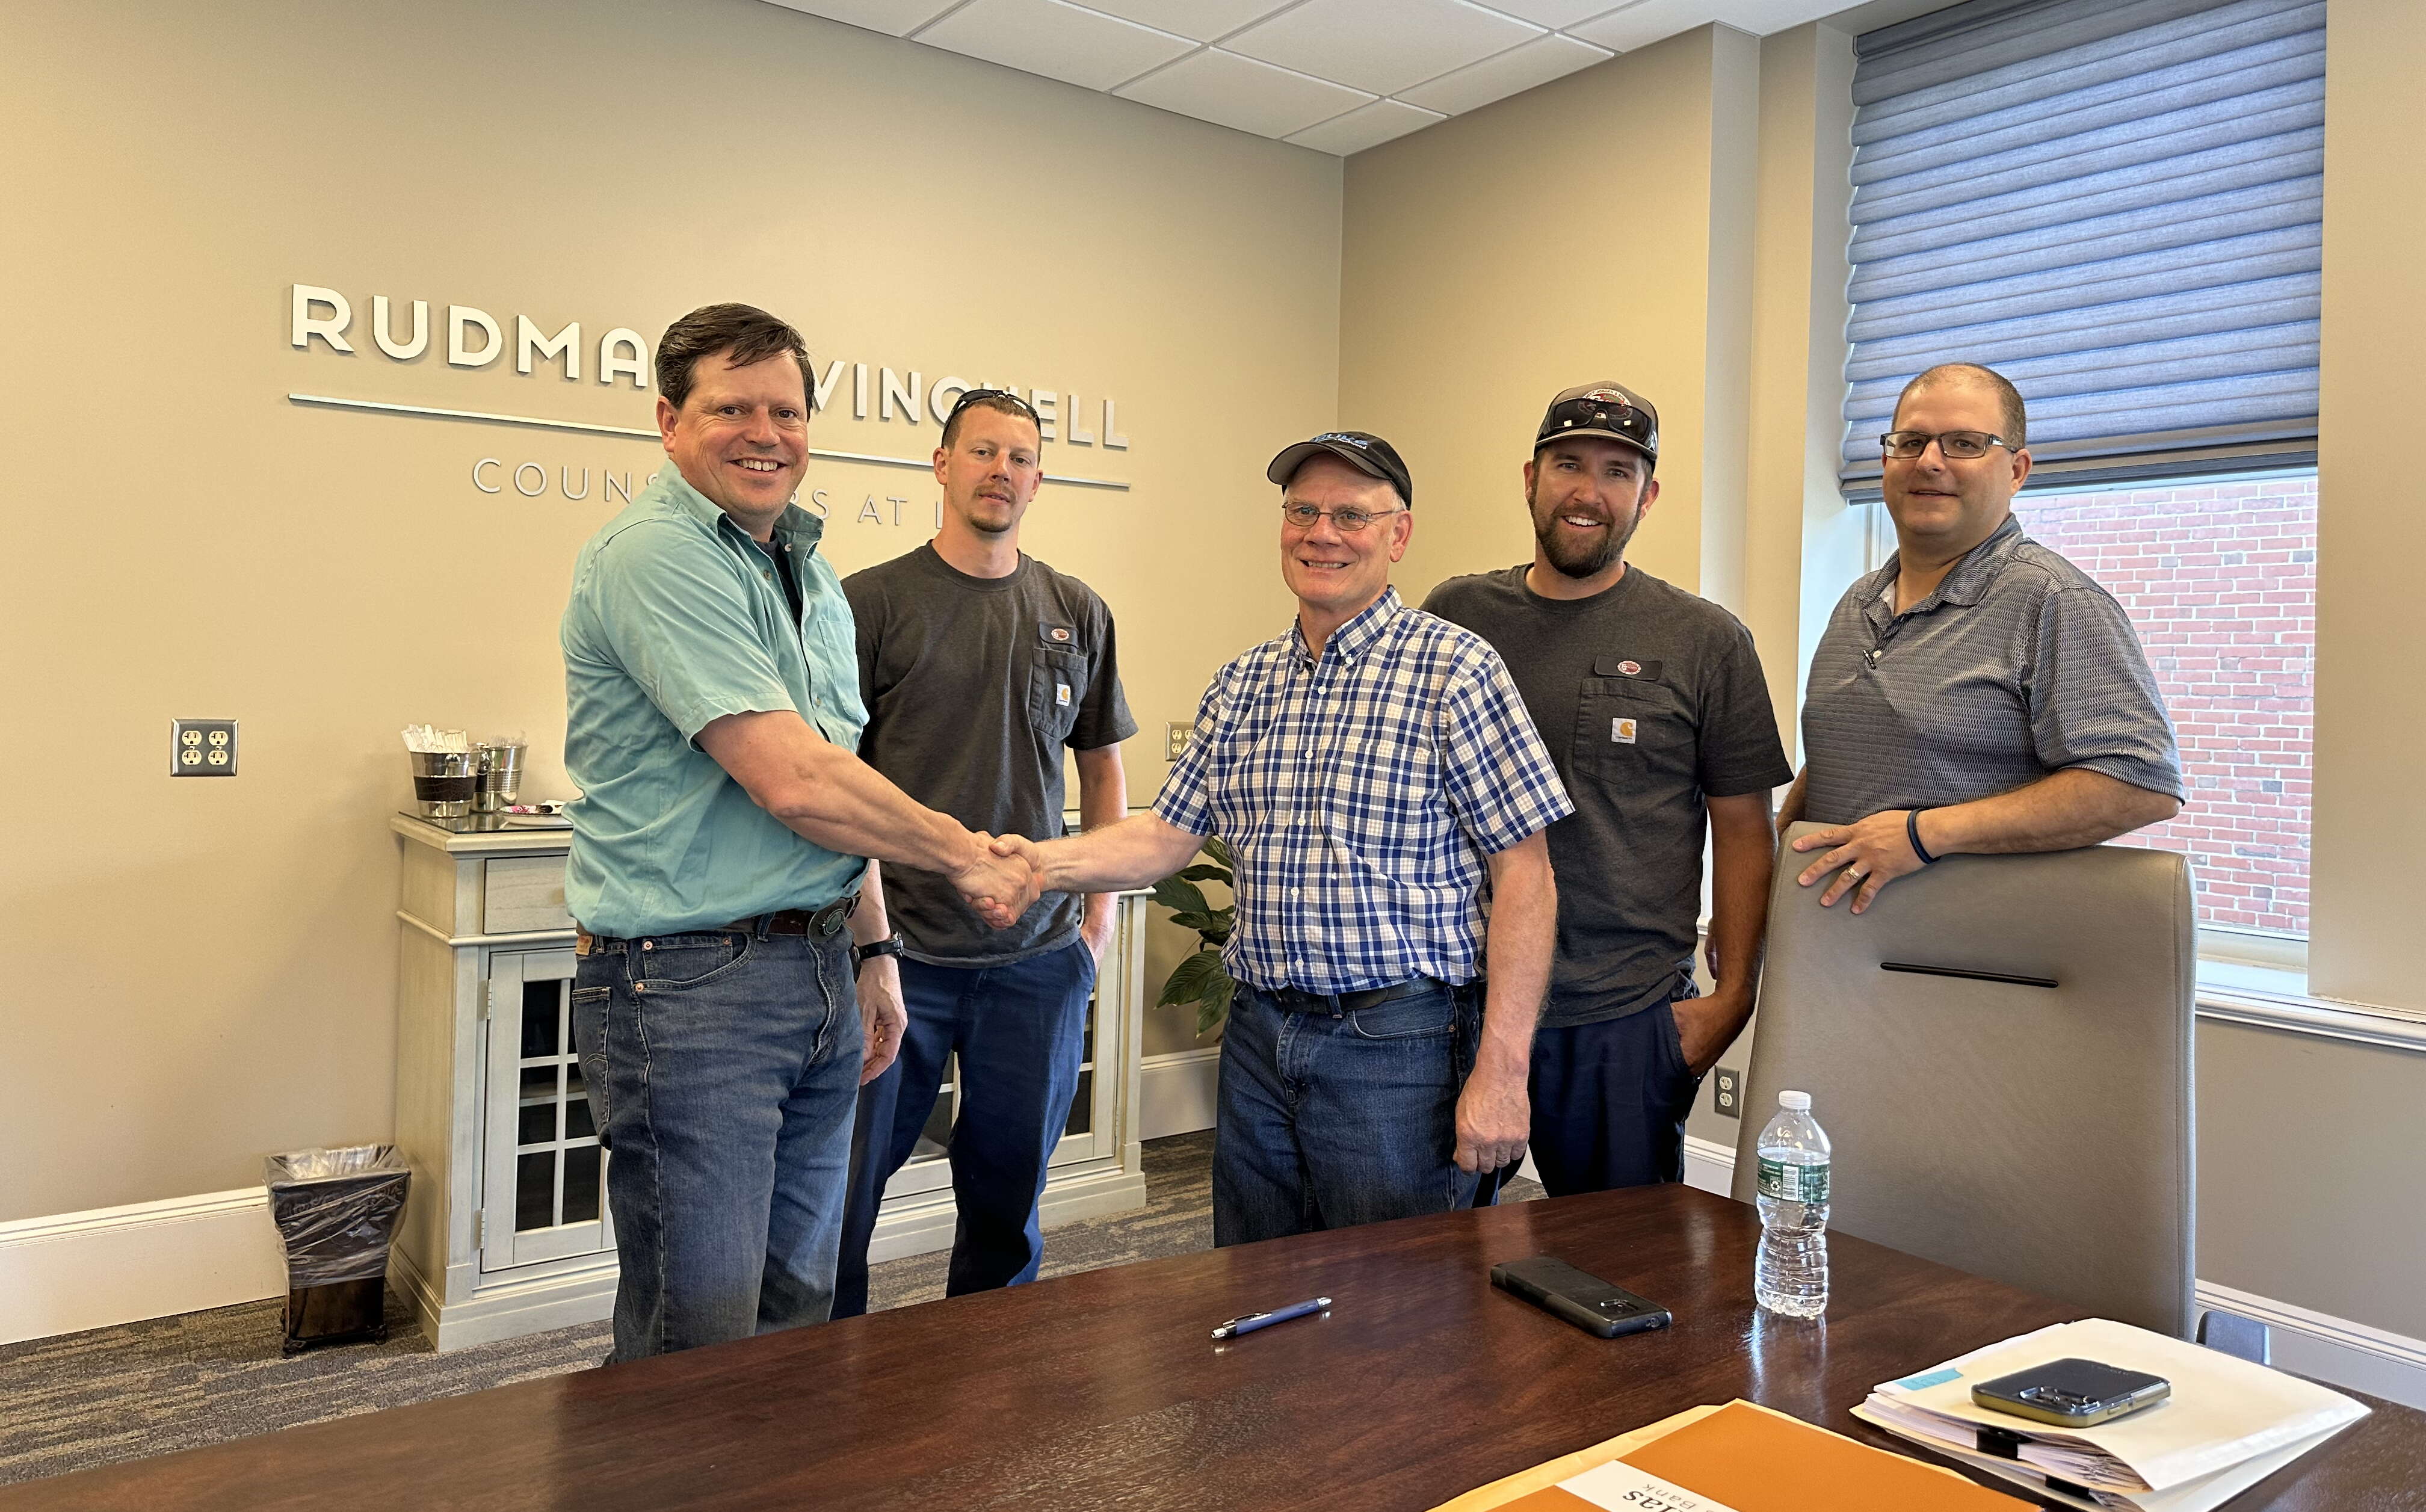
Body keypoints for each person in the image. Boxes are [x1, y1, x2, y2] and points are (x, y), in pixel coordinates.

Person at [559, 303, 1040, 1361]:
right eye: (730, 406)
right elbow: (792, 778)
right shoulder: (655, 555)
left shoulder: (808, 570)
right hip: (690, 992)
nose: (763, 429)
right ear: (669, 421)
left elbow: (841, 774)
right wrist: (969, 852)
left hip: (816, 964)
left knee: (796, 1305)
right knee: (702, 1327)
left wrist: (871, 948)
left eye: (785, 407)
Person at [993, 431, 1570, 1245]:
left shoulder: (1457, 672)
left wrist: (1505, 1072)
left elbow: (1528, 876)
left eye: (1350, 514)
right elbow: (1165, 836)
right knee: (1256, 1287)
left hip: (1396, 1049)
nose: (1321, 532)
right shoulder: (1244, 682)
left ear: (1398, 535)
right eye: (1302, 510)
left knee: (1394, 1313)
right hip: (1262, 1038)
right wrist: (1039, 862)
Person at [1424, 383, 1792, 1195]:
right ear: (1531, 478)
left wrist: (1733, 1000)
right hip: (1458, 999)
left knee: (1621, 1274)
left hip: (1621, 1015)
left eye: (1618, 471)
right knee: (1436, 1263)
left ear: (1647, 496)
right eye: (1568, 465)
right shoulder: (1456, 616)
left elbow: (1743, 830)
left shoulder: (1705, 641)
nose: (1589, 492)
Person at [830, 390, 1136, 1316]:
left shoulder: (1076, 610)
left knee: (1007, 1201)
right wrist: (868, 945)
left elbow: (1102, 774)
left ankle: (990, 1382)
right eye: (983, 452)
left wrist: (1096, 921)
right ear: (942, 464)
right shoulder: (869, 603)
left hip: (1037, 965)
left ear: (1039, 479)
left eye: (1021, 457)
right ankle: (820, 1375)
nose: (1001, 470)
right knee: (844, 1199)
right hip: (901, 960)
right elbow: (839, 787)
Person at [1782, 362, 2182, 908]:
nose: (1929, 461)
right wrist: (1773, 876)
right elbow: (1841, 756)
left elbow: (2140, 784)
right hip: (1826, 943)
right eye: (1911, 441)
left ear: (2017, 470)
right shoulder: (1858, 600)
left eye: (1964, 443)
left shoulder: (2056, 602)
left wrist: (1926, 835)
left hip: (1964, 954)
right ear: (1885, 460)